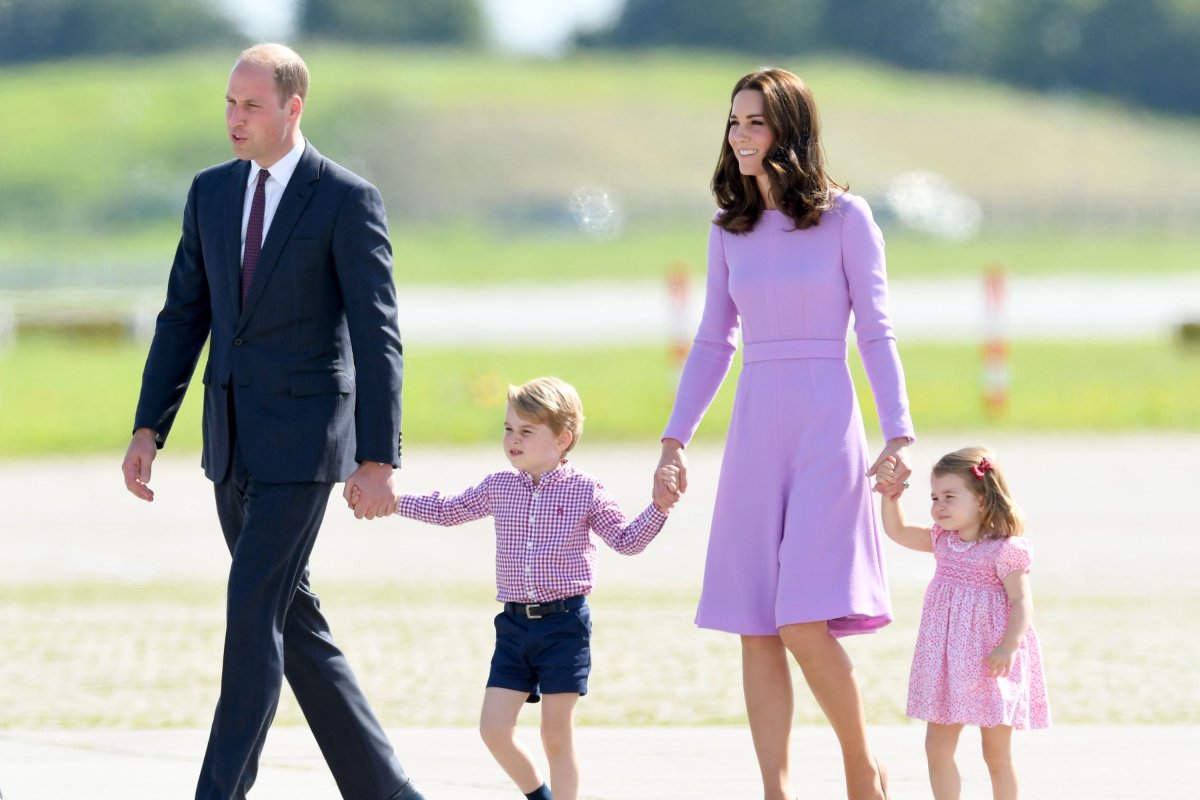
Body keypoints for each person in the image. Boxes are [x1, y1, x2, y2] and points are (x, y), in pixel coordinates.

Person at [120, 43, 425, 799]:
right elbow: (183, 315)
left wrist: (377, 454)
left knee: (252, 611)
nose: (234, 118)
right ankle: (387, 790)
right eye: (229, 103)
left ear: (293, 108)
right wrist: (149, 426)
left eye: (250, 105)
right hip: (230, 442)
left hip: (306, 444)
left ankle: (218, 790)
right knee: (293, 621)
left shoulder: (346, 199)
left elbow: (376, 331)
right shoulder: (211, 193)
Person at [652, 67, 913, 799]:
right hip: (753, 430)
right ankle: (777, 789)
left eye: (756, 122)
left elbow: (876, 331)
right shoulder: (727, 229)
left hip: (828, 425)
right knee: (756, 624)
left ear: (789, 131)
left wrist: (898, 434)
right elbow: (712, 341)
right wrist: (674, 441)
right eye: (734, 121)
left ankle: (863, 769)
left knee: (803, 620)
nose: (740, 135)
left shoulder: (846, 218)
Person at [376, 377, 678, 800]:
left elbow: (627, 541)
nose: (512, 440)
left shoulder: (586, 491)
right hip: (514, 627)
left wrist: (660, 507)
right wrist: (393, 500)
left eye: (526, 431)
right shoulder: (500, 486)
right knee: (494, 729)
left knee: (556, 734)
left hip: (564, 625)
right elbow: (450, 510)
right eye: (508, 429)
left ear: (563, 438)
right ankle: (541, 796)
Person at [877, 447, 1050, 800]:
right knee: (937, 749)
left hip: (992, 662)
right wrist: (892, 496)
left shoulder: (1005, 550)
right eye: (935, 497)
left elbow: (1021, 601)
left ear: (983, 499)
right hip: (945, 663)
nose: (939, 505)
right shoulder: (942, 541)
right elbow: (896, 531)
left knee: (996, 754)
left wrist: (1009, 645)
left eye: (950, 497)